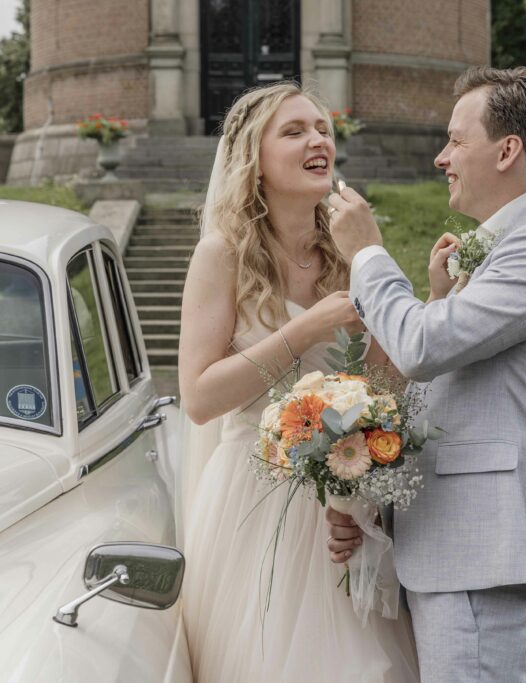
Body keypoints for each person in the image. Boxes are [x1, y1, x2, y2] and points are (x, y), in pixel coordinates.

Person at [325, 66, 526, 682]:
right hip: (452, 544)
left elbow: (424, 348)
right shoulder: (502, 249)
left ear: (508, 150)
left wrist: (368, 252)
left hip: (483, 549)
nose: (440, 157)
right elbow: (438, 382)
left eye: (456, 140)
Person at [178, 81, 419, 682]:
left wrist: (363, 499)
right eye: (294, 131)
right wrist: (305, 327)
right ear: (253, 161)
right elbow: (200, 397)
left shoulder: (348, 253)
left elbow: (389, 387)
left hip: (342, 507)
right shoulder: (222, 254)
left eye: (322, 129)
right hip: (251, 505)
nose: (318, 140)